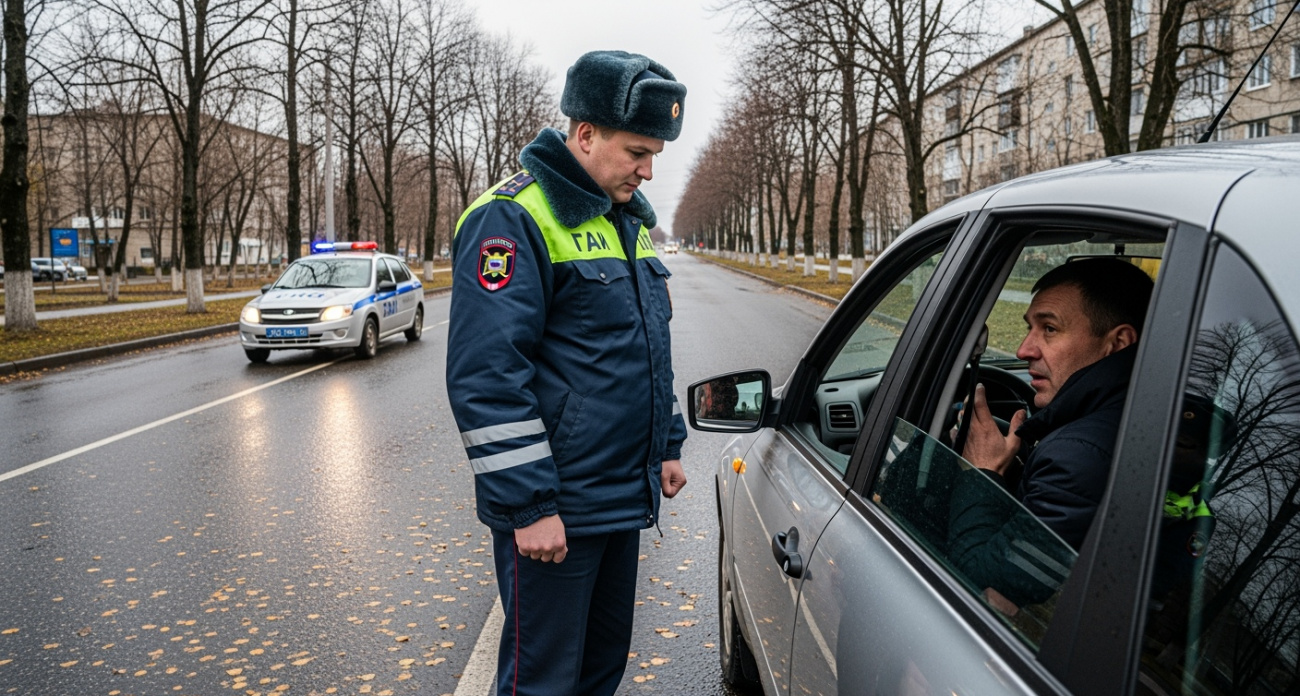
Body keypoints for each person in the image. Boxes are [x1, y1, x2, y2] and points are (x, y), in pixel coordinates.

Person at [444, 50, 689, 696]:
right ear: (584, 135)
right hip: (556, 513)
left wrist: (667, 441)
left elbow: (643, 345)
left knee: (600, 672)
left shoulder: (628, 223)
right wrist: (530, 505)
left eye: (655, 153)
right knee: (542, 684)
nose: (649, 168)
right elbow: (487, 377)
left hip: (617, 501)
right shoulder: (513, 217)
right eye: (638, 150)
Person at [948, 257, 1154, 608]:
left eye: (1049, 329)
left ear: (1118, 342)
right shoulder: (1133, 418)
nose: (1023, 349)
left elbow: (983, 588)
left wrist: (983, 471)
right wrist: (1013, 472)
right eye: (1030, 328)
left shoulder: (1080, 457)